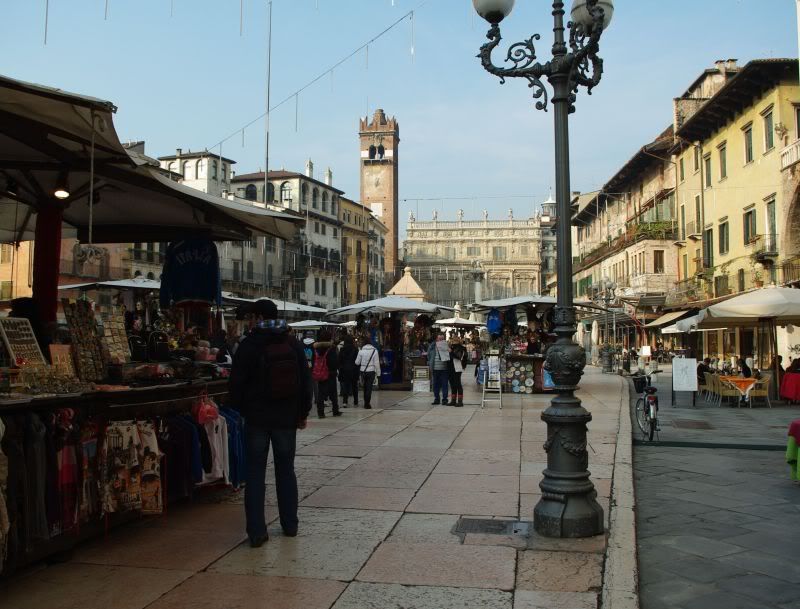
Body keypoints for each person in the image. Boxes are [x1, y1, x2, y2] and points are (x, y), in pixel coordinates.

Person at [228, 299, 311, 548]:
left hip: (257, 420)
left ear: (257, 316)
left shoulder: (249, 345)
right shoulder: (292, 343)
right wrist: (302, 413)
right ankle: (290, 524)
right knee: (286, 471)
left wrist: (244, 410)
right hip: (286, 419)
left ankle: (257, 532)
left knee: (255, 475)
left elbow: (236, 385)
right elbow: (305, 382)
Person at [312, 330, 340, 418]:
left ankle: (320, 413)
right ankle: (335, 411)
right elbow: (334, 361)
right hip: (330, 372)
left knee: (321, 393)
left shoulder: (316, 348)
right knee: (333, 392)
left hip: (321, 372)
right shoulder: (331, 348)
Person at [355, 337, 381, 409]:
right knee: (369, 387)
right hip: (371, 371)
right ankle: (367, 403)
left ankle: (365, 402)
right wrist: (379, 374)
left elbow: (357, 363)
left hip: (363, 371)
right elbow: (377, 364)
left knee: (365, 387)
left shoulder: (361, 351)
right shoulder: (375, 351)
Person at [428, 333, 451, 405]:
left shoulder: (446, 346)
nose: (440, 340)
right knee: (436, 385)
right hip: (435, 368)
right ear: (436, 339)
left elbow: (450, 357)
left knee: (444, 384)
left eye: (442, 339)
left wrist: (450, 351)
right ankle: (436, 399)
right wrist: (430, 363)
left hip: (444, 369)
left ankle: (445, 399)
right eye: (439, 338)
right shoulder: (432, 346)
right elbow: (429, 355)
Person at [338, 335, 359, 407]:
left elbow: (339, 360)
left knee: (345, 386)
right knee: (354, 386)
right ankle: (356, 401)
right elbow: (357, 361)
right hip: (354, 369)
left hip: (344, 370)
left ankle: (345, 402)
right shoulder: (356, 349)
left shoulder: (342, 349)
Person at [448, 336, 468, 407]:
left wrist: (451, 352)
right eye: (453, 341)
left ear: (458, 341)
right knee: (452, 384)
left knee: (458, 384)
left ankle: (460, 402)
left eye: (455, 341)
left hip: (457, 368)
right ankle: (453, 400)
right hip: (450, 368)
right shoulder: (451, 347)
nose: (453, 342)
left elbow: (458, 357)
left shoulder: (461, 348)